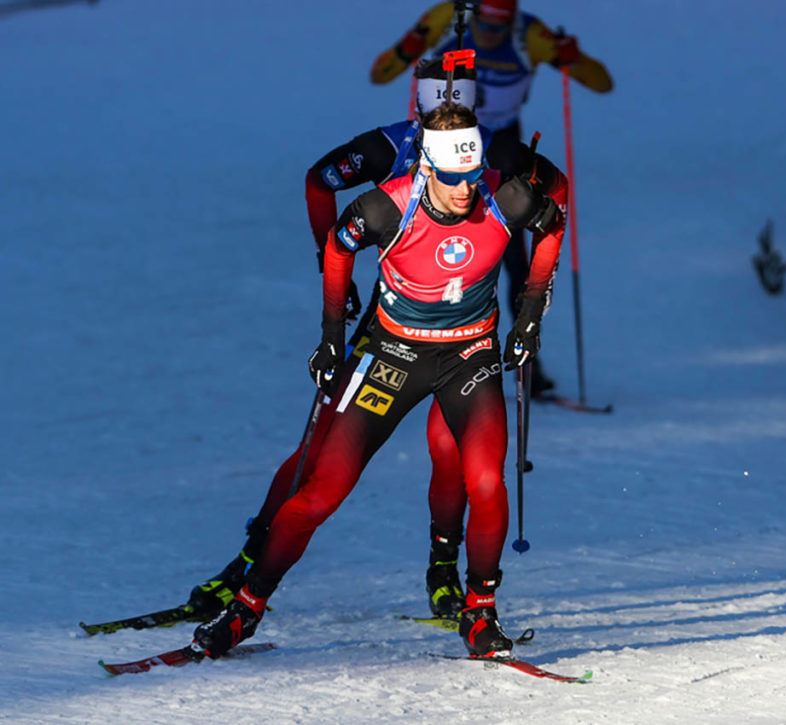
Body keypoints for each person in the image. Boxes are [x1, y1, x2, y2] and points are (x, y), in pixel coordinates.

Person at [185, 55, 566, 624]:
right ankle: (251, 562)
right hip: (388, 325)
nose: (464, 181)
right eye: (431, 110)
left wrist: (530, 310)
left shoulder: (495, 157)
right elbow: (324, 189)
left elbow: (555, 196)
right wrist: (331, 292)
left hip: (465, 337)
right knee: (321, 456)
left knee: (456, 453)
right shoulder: (391, 150)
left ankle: (447, 571)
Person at [370, 0, 612, 398]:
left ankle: (524, 359)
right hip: (441, 146)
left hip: (499, 148)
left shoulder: (530, 36)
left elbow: (601, 83)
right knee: (424, 242)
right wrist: (406, 48)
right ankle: (410, 347)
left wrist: (574, 58)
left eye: (500, 29)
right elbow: (381, 75)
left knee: (512, 256)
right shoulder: (447, 18)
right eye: (485, 26)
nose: (490, 35)